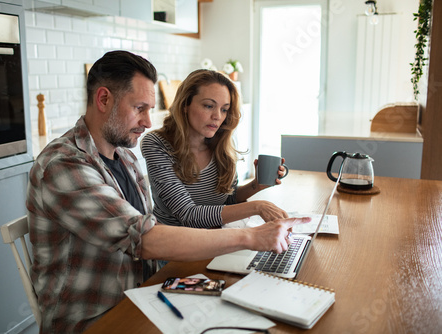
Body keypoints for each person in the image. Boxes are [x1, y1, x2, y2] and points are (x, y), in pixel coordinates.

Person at [26, 50, 309, 333]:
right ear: (103, 99)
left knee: (252, 317)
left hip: (147, 291)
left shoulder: (124, 157)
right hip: (97, 317)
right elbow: (145, 239)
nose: (149, 122)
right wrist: (251, 236)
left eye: (150, 109)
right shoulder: (63, 165)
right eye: (139, 108)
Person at [141, 69, 288, 229]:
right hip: (175, 246)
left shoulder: (220, 144)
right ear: (185, 105)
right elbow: (188, 215)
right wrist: (257, 207)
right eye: (209, 106)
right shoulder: (156, 144)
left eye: (224, 109)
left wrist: (256, 185)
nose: (218, 116)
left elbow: (227, 200)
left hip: (217, 240)